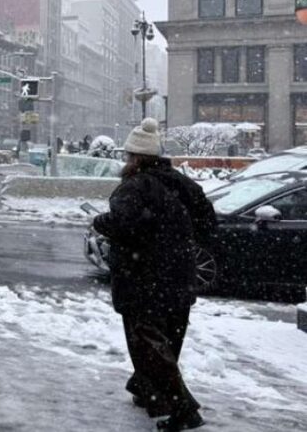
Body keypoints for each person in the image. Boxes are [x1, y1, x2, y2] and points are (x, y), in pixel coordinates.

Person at [92, 118, 213, 432]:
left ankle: (183, 407)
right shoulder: (182, 183)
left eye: (128, 156)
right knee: (169, 341)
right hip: (180, 274)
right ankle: (147, 391)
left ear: (135, 157)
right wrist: (179, 241)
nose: (126, 161)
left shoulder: (133, 186)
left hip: (143, 277)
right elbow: (207, 220)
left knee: (148, 344)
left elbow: (124, 225)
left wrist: (100, 221)